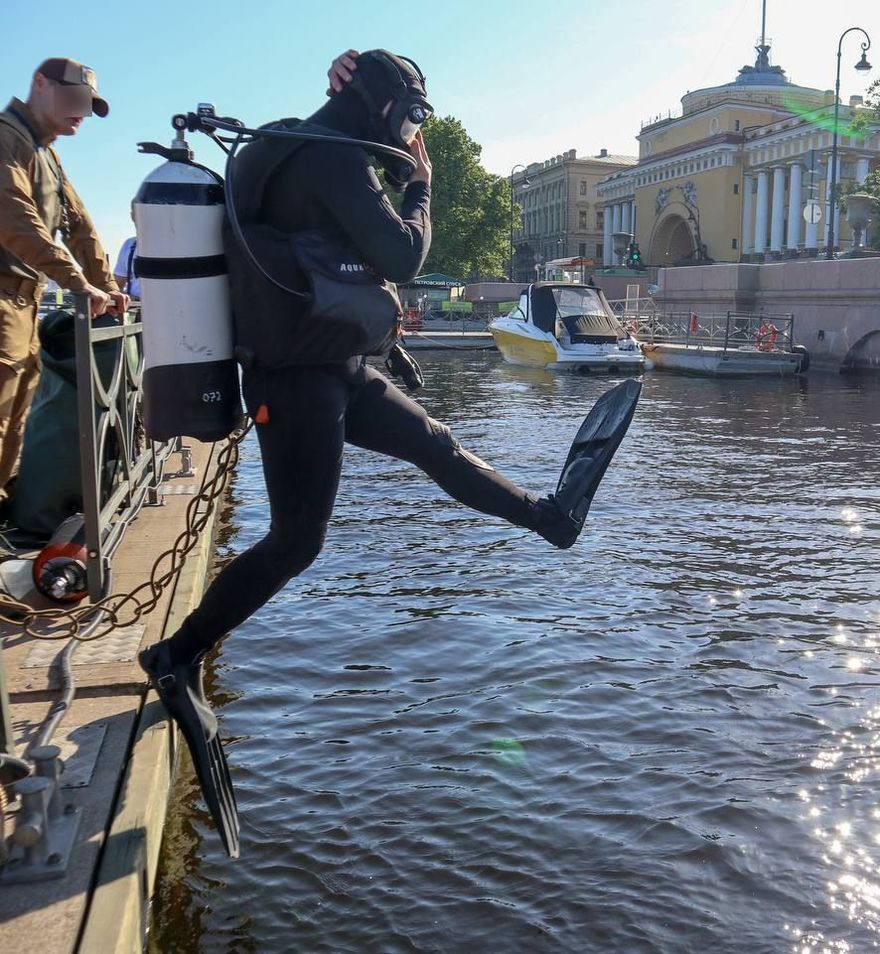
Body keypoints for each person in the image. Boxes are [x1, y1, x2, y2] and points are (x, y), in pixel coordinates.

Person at [139, 49, 640, 856]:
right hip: (297, 378)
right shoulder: (333, 161)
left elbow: (319, 259)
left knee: (437, 446)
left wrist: (378, 343)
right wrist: (421, 182)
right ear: (379, 107)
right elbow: (402, 255)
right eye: (409, 117)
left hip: (332, 362)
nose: (411, 133)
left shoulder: (291, 144)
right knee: (297, 541)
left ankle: (552, 519)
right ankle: (177, 654)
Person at [0, 58, 127, 502]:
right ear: (39, 83)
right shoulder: (6, 139)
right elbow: (16, 219)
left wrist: (106, 285)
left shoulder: (46, 153)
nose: (83, 111)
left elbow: (80, 227)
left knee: (15, 420)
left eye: (89, 104)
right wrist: (77, 283)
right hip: (4, 298)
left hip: (24, 303)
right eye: (75, 98)